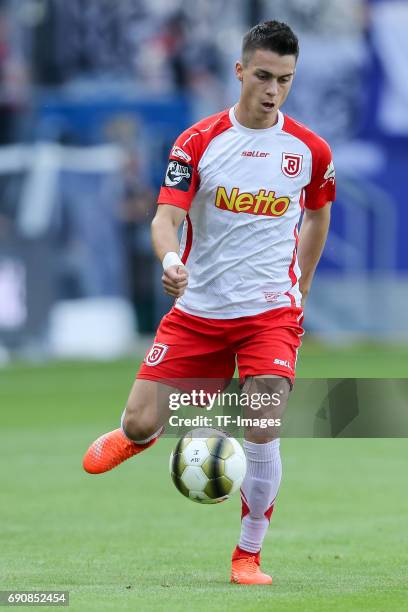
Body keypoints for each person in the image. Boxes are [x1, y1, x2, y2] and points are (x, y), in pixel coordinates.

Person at [83, 20, 335, 585]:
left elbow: (319, 213)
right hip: (200, 311)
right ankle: (138, 436)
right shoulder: (198, 143)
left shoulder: (310, 151)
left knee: (262, 421)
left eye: (285, 80)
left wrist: (303, 285)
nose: (273, 91)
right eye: (264, 76)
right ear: (240, 70)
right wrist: (171, 261)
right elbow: (165, 217)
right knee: (143, 419)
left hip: (270, 313)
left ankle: (248, 553)